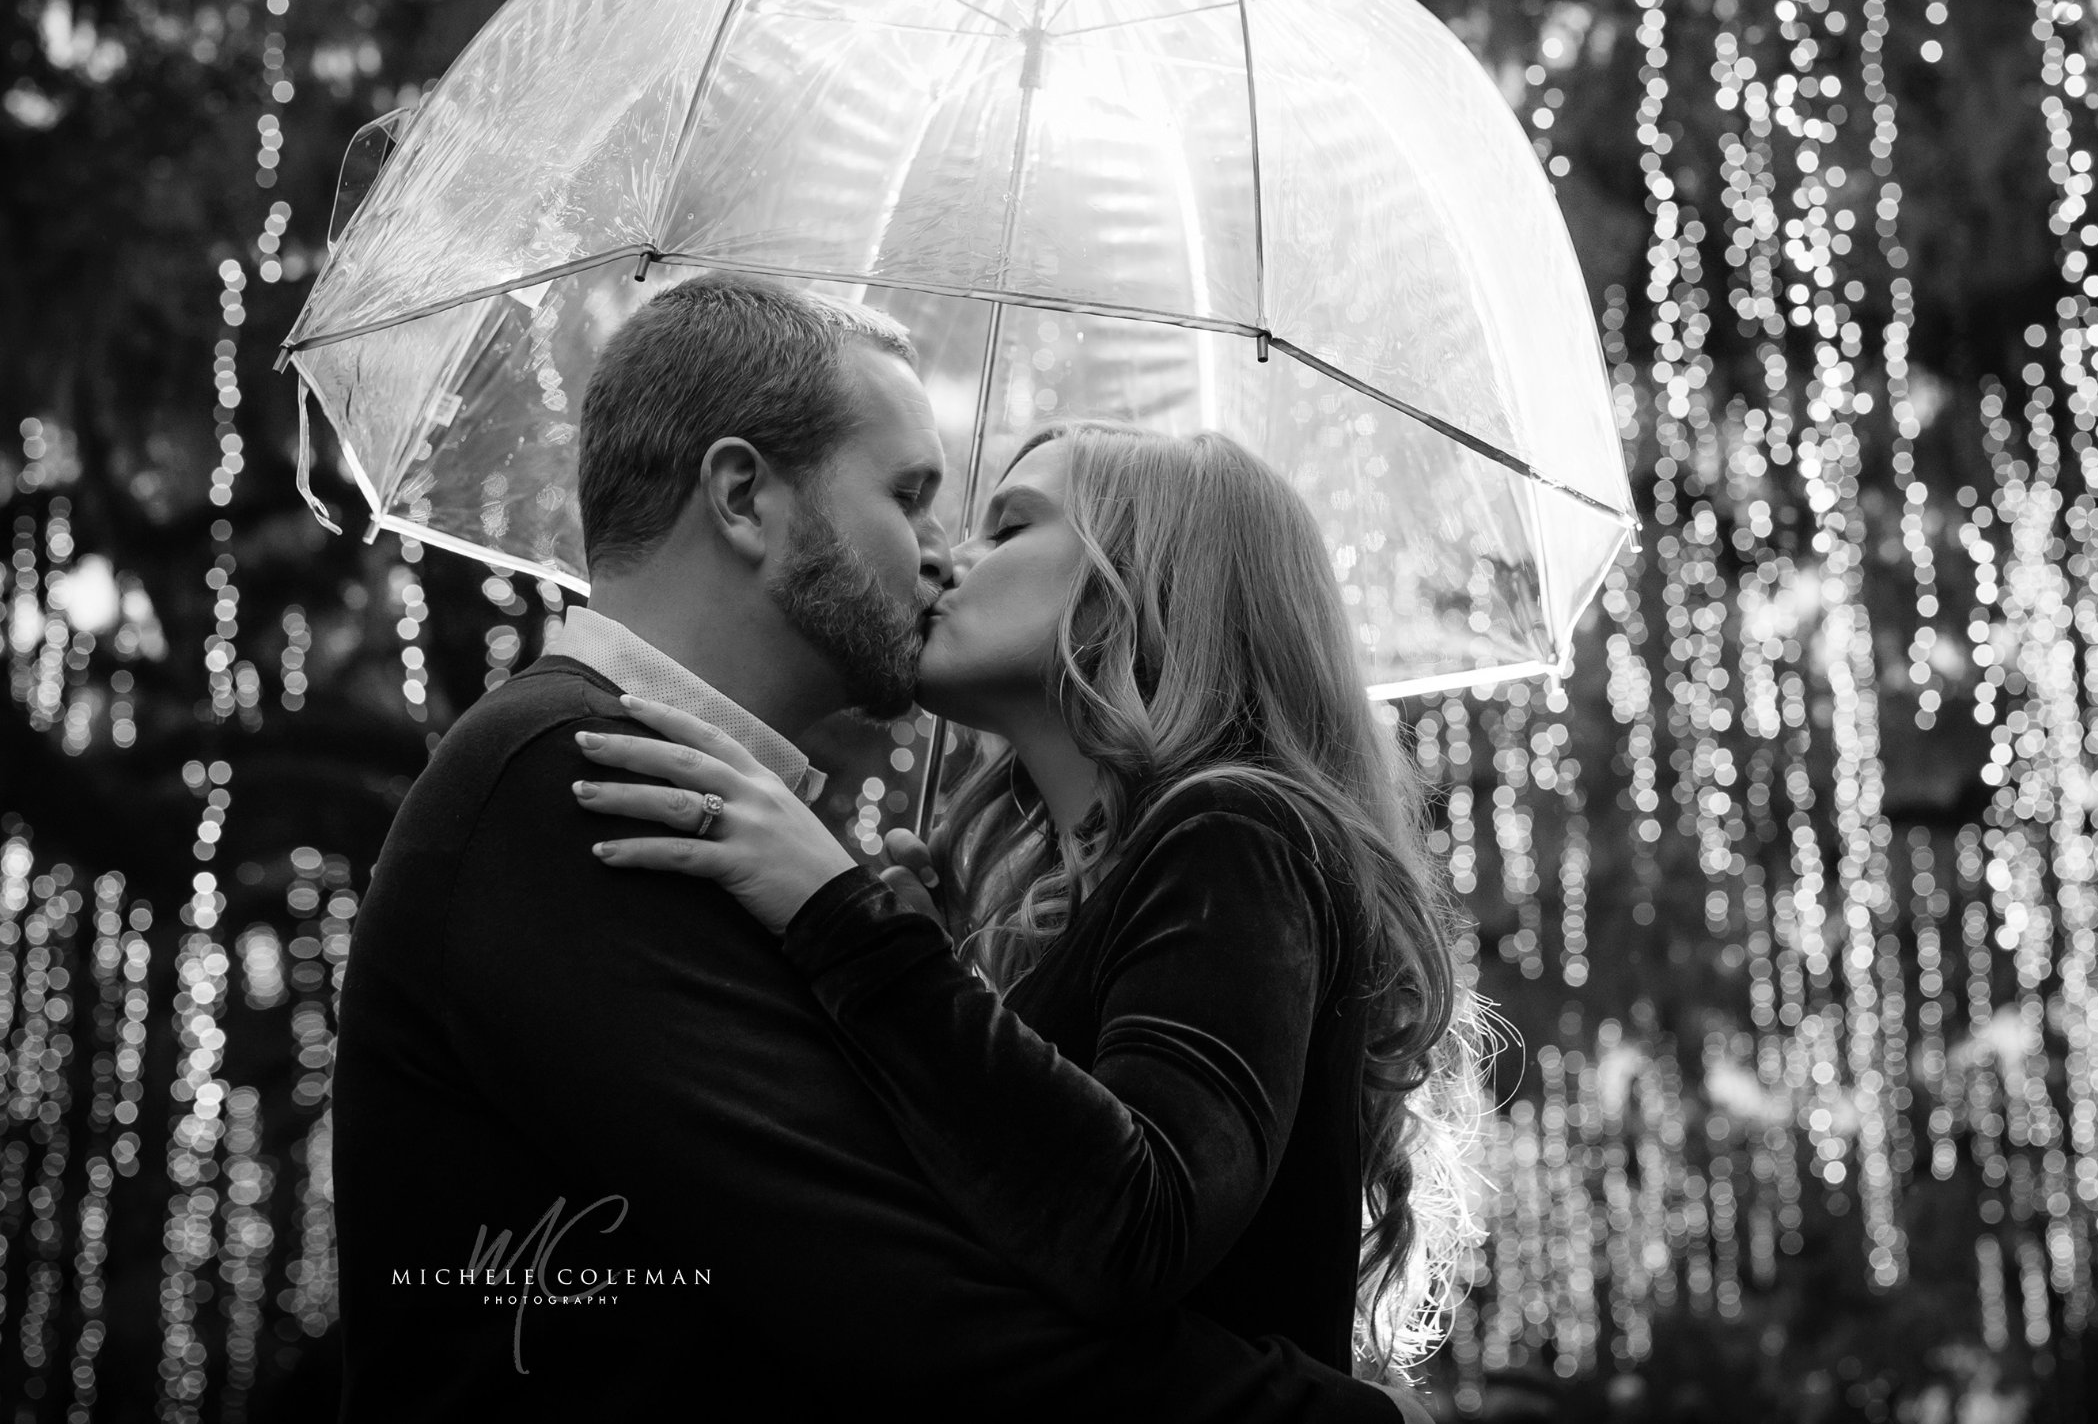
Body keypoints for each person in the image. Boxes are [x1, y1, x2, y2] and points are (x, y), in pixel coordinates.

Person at [330, 273, 1421, 1422]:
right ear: (744, 496)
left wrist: (890, 962)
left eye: (997, 522)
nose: (940, 553)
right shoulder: (583, 773)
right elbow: (913, 1308)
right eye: (913, 496)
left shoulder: (720, 810)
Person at [572, 418, 1489, 1385]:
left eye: (1008, 530)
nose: (942, 559)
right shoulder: (1082, 900)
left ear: (1138, 585)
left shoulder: (1236, 832)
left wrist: (846, 924)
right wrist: (913, 986)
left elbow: (1136, 1230)